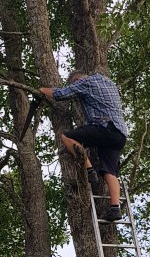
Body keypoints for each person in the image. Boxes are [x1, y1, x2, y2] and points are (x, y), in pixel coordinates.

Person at [39, 70, 128, 222]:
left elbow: (60, 94)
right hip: (120, 135)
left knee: (67, 137)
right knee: (110, 172)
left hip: (104, 128)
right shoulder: (109, 82)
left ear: (76, 80)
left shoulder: (85, 82)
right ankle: (115, 208)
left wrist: (41, 90)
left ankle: (89, 170)